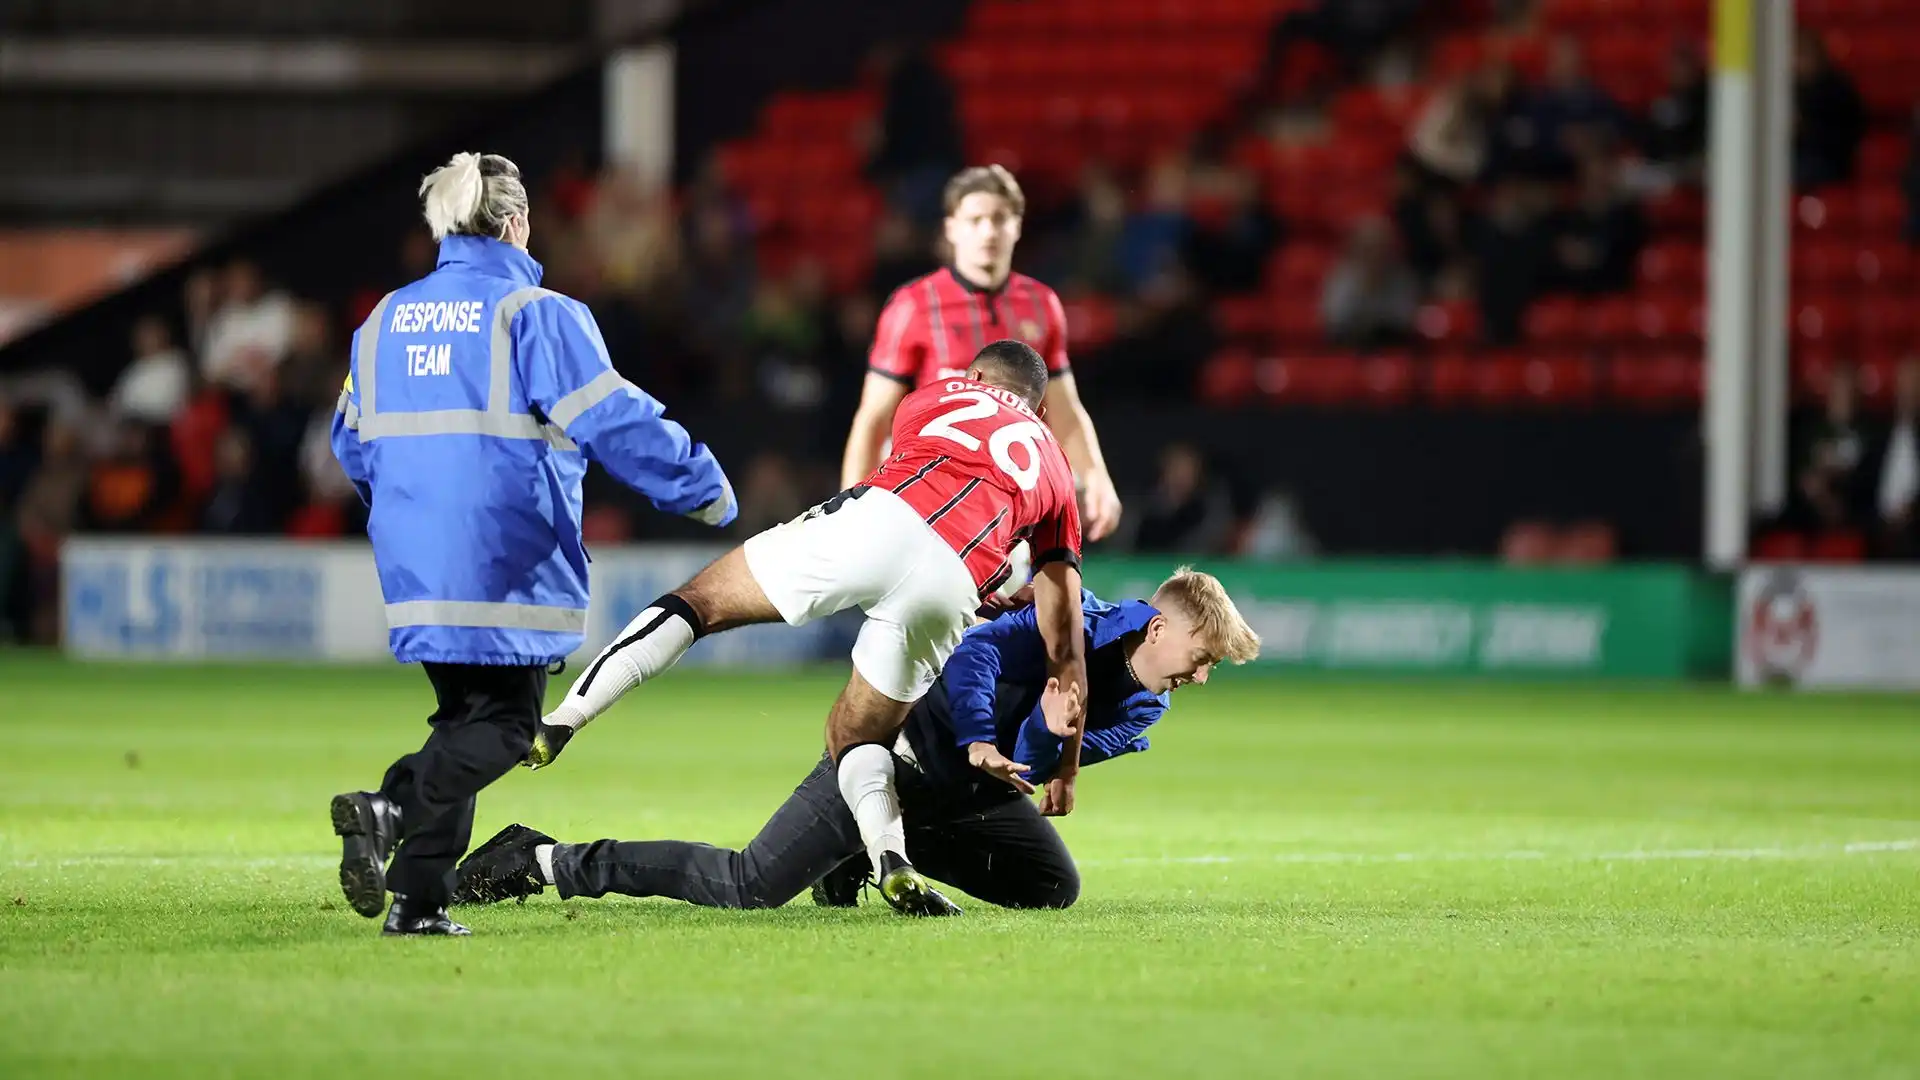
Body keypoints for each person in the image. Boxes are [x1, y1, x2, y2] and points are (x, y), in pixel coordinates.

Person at [529, 340, 1088, 917]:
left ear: (974, 375)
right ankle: (891, 861)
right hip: (950, 585)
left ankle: (560, 721)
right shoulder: (1056, 470)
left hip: (879, 518)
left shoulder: (937, 394)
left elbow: (913, 469)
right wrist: (1065, 768)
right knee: (857, 741)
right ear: (1041, 414)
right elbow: (1064, 641)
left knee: (698, 604)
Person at [327, 152, 736, 937]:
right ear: (515, 223)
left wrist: (410, 515)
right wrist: (703, 487)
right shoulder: (535, 312)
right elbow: (612, 419)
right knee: (512, 729)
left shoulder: (383, 319)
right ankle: (389, 806)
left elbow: (349, 444)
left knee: (464, 721)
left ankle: (419, 899)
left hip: (417, 562)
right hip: (506, 555)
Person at [452, 572, 1262, 913]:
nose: (1200, 679)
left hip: (971, 796)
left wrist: (1042, 740)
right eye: (1202, 659)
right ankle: (543, 859)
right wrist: (982, 736)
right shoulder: (1068, 625)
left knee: (1054, 888)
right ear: (1159, 630)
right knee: (749, 884)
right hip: (897, 756)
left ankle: (867, 858)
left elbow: (1039, 761)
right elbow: (974, 653)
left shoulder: (1147, 710)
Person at [840, 166, 1123, 544]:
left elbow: (1064, 407)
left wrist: (1096, 475)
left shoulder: (1043, 304)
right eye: (975, 220)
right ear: (952, 228)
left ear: (1018, 226)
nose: (988, 231)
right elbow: (873, 418)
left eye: (1000, 219)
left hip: (1010, 486)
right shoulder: (913, 305)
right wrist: (851, 505)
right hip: (931, 486)